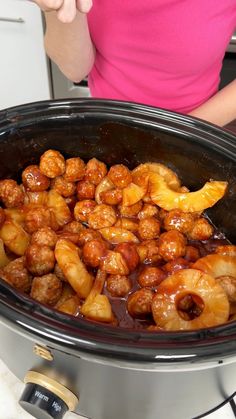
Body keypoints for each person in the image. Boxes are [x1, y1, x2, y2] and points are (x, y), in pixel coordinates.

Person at [33, 0, 236, 127]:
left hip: (199, 124)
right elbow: (75, 70)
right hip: (107, 124)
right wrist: (59, 8)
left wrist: (180, 133)